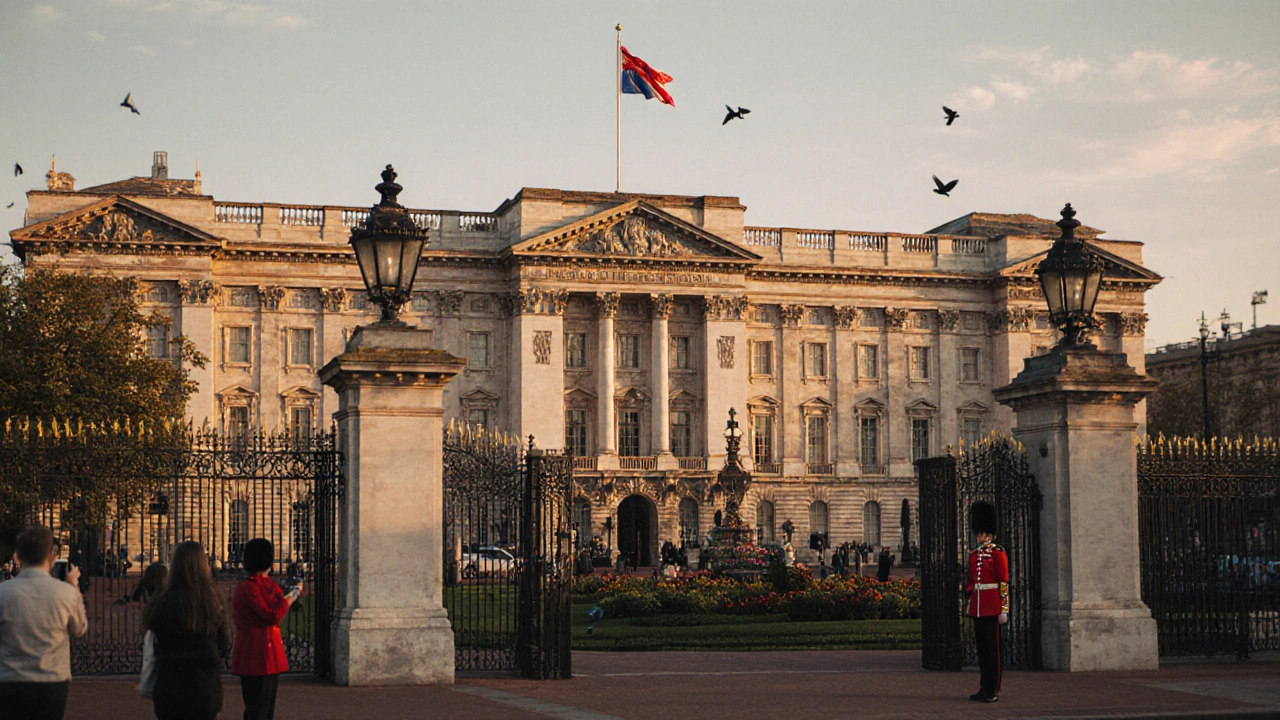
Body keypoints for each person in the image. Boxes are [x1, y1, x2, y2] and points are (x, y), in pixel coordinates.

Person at [0, 525, 87, 720]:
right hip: (52, 681)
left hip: (11, 680)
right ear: (51, 555)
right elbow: (79, 629)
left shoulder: (3, 593)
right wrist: (74, 588)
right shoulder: (65, 593)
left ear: (18, 556)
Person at [142, 541, 231, 720]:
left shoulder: (163, 602)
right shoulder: (214, 601)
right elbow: (224, 644)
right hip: (204, 686)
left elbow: (154, 638)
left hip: (170, 684)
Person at [232, 538, 299, 720]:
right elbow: (272, 615)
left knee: (266, 710)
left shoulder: (266, 584)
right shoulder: (248, 589)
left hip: (269, 653)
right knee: (257, 710)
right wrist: (291, 597)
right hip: (254, 653)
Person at [964, 501, 1009, 704]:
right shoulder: (974, 555)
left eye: (982, 534)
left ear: (989, 535)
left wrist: (1004, 608)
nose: (979, 537)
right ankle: (984, 687)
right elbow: (972, 580)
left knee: (993, 651)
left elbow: (1003, 581)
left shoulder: (998, 553)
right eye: (978, 533)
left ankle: (993, 689)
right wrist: (968, 593)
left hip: (992, 605)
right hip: (978, 606)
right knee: (982, 650)